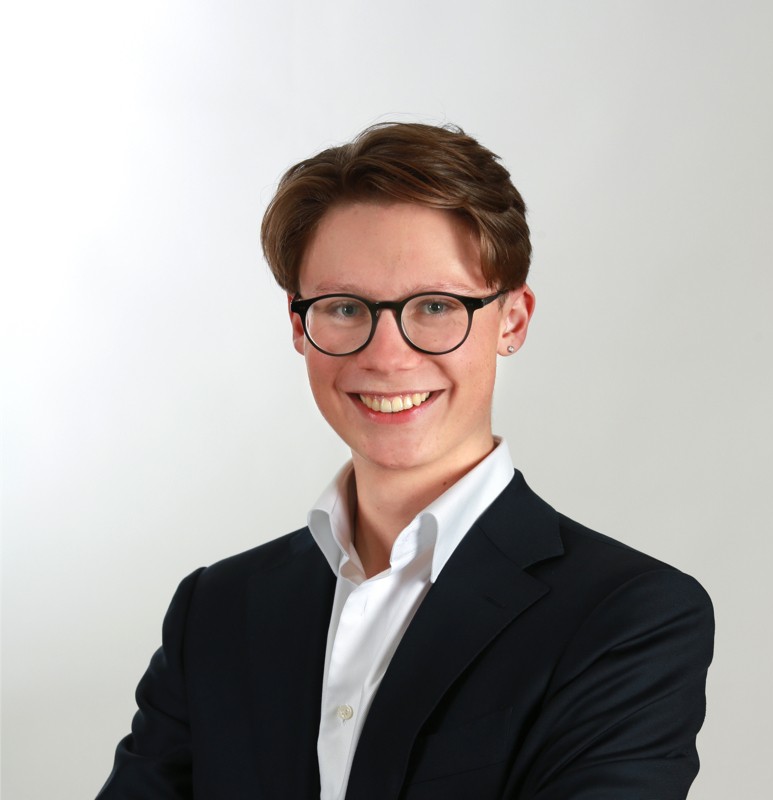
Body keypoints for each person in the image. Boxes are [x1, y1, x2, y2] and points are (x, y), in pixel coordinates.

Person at [97, 122, 714, 799]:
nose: (387, 356)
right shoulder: (215, 610)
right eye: (344, 307)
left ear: (512, 320)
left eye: (435, 306)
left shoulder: (628, 617)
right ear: (300, 326)